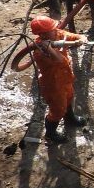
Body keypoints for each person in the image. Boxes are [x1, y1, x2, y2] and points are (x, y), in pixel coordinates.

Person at [21, 15, 87, 144]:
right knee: (57, 110)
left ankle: (70, 119)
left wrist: (81, 38)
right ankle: (51, 134)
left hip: (65, 78)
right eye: (53, 28)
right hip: (53, 85)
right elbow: (59, 60)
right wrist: (49, 48)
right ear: (43, 34)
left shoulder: (57, 34)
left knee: (69, 97)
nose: (56, 29)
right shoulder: (39, 52)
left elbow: (70, 36)